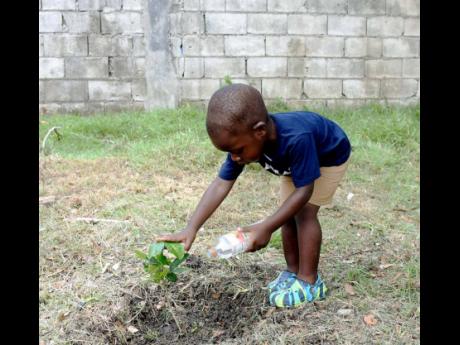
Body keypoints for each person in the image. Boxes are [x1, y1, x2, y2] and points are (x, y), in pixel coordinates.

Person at [157, 84, 351, 308]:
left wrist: (266, 227)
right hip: (293, 164)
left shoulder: (297, 138)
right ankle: (292, 272)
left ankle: (309, 282)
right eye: (230, 152)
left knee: (304, 213)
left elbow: (304, 190)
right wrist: (191, 228)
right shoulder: (246, 138)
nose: (235, 157)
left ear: (260, 131)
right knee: (287, 214)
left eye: (238, 150)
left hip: (328, 155)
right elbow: (221, 183)